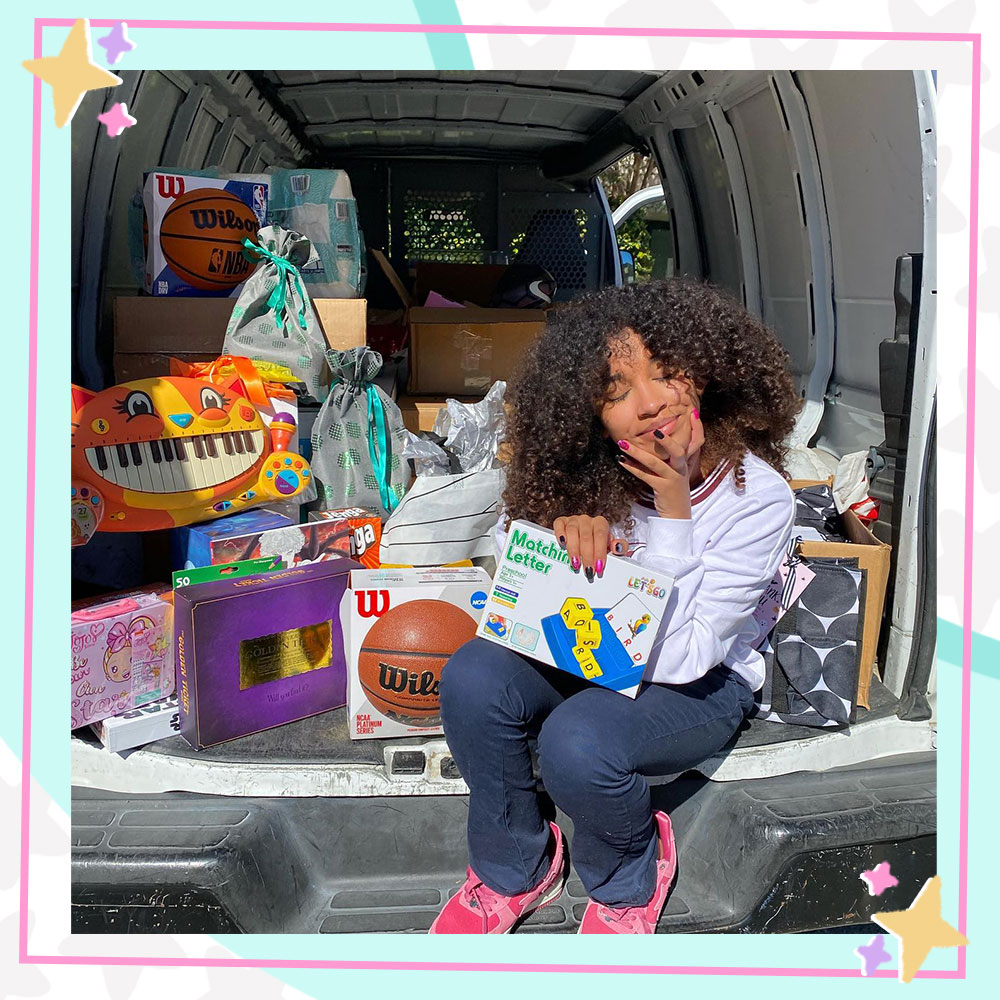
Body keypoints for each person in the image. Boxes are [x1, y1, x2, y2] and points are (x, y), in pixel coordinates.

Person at [430, 279, 801, 935]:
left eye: (665, 373)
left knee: (577, 741)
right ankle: (516, 867)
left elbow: (684, 657)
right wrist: (561, 538)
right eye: (616, 391)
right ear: (589, 413)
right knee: (473, 677)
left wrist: (674, 513)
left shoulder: (760, 497)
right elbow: (518, 584)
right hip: (599, 654)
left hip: (701, 682)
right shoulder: (590, 470)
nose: (650, 403)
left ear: (706, 371)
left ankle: (628, 880)